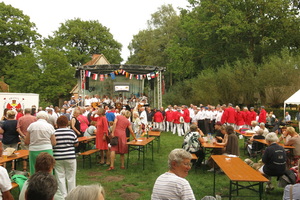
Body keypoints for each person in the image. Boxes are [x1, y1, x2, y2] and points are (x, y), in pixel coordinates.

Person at [53, 115, 78, 198]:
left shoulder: (54, 133)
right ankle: (72, 195)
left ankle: (63, 195)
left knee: (60, 177)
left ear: (57, 123)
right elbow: (76, 143)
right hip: (70, 156)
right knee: (71, 176)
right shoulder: (71, 132)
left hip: (58, 157)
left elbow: (53, 144)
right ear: (67, 123)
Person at [25, 111, 56, 175]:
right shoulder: (49, 126)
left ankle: (34, 182)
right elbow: (54, 142)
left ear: (37, 117)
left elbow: (27, 141)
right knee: (48, 167)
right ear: (46, 118)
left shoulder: (31, 126)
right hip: (47, 148)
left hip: (34, 149)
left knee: (34, 168)